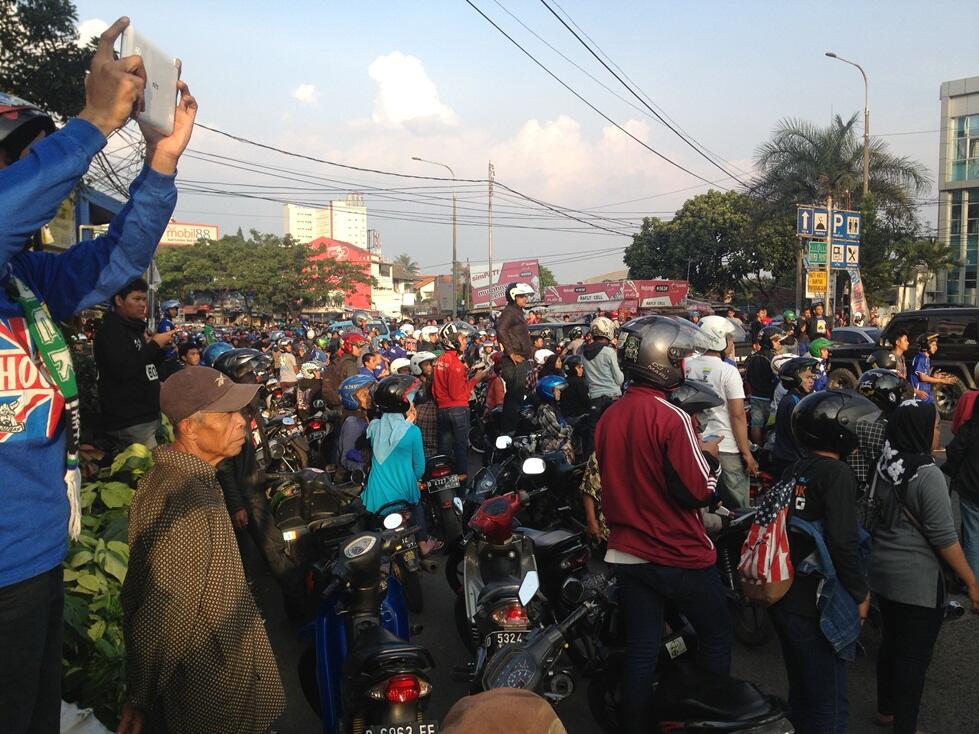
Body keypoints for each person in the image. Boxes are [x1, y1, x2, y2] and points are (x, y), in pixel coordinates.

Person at [0, 19, 197, 732]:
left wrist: (162, 164)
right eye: (14, 162)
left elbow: (115, 263)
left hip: (35, 555)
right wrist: (88, 124)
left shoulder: (23, 279)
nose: (30, 179)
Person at [120, 367, 284, 733]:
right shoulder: (184, 495)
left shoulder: (192, 478)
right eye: (227, 415)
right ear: (189, 428)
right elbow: (167, 604)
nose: (241, 422)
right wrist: (140, 696)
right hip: (210, 683)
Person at [595, 316, 727, 734]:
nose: (685, 364)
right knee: (717, 636)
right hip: (678, 552)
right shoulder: (673, 417)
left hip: (627, 552)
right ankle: (708, 717)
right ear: (660, 360)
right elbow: (697, 490)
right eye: (680, 357)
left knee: (641, 650)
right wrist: (712, 460)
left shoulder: (610, 416)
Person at [871, 400, 979, 733]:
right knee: (914, 657)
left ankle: (887, 709)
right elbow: (945, 538)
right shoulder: (926, 473)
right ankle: (906, 725)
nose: (938, 431)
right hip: (917, 581)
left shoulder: (886, 463)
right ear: (917, 429)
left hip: (882, 574)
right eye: (934, 425)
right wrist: (971, 582)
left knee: (891, 642)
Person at [771, 389, 876, 734]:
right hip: (817, 604)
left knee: (801, 692)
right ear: (840, 429)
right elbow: (843, 543)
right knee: (830, 703)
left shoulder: (794, 469)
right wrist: (861, 594)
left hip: (784, 595)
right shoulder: (837, 474)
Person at [361, 375, 440, 555]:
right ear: (402, 404)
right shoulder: (413, 431)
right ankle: (423, 543)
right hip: (405, 494)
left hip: (377, 497)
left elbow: (390, 436)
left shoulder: (373, 427)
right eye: (410, 399)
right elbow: (419, 468)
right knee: (417, 504)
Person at [685, 316, 758, 507]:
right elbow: (738, 415)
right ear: (718, 339)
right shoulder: (728, 371)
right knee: (738, 508)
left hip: (697, 446)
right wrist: (746, 453)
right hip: (727, 449)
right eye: (729, 338)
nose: (732, 343)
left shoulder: (686, 366)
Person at [94, 278, 171, 451]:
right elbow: (123, 369)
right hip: (131, 421)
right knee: (146, 473)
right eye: (136, 299)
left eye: (144, 299)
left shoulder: (136, 329)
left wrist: (160, 348)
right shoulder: (111, 331)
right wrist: (154, 345)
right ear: (119, 300)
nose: (142, 304)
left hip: (149, 416)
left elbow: (146, 367)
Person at [433, 321, 489, 474]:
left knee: (444, 451)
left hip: (442, 410)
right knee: (460, 450)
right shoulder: (455, 364)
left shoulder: (440, 360)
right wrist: (476, 379)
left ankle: (442, 484)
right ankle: (461, 491)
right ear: (453, 341)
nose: (466, 342)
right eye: (462, 339)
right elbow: (458, 394)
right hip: (457, 410)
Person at [581, 316, 624, 458]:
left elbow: (587, 379)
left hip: (594, 399)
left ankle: (587, 466)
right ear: (608, 331)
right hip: (612, 399)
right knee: (616, 434)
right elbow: (619, 379)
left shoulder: (583, 353)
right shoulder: (608, 352)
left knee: (593, 434)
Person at [495, 282, 535, 435]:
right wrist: (511, 353)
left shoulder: (517, 312)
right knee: (514, 396)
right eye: (521, 296)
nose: (525, 299)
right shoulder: (510, 311)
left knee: (517, 395)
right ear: (513, 296)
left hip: (521, 358)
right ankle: (508, 431)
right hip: (514, 361)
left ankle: (512, 429)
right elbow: (501, 329)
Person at [771, 357, 818, 478]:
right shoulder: (793, 402)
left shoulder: (798, 398)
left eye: (812, 377)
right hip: (791, 461)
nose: (811, 381)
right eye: (807, 378)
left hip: (792, 459)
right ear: (794, 380)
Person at [745, 326, 786, 446]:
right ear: (769, 341)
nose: (779, 343)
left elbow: (747, 377)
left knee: (756, 425)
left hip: (756, 397)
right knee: (772, 426)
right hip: (770, 398)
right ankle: (770, 449)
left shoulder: (752, 357)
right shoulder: (773, 358)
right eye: (776, 341)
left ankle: (759, 448)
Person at [335, 374, 375, 481]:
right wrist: (366, 468)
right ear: (352, 398)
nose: (369, 398)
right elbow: (345, 459)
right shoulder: (352, 422)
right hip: (349, 480)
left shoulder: (362, 415)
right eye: (364, 395)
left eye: (369, 394)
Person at [535, 374, 574, 463]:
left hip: (561, 447)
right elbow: (557, 431)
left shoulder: (554, 406)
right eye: (557, 390)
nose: (559, 392)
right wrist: (570, 429)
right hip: (553, 450)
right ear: (548, 391)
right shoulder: (544, 409)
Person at [910, 332, 955, 403]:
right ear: (925, 346)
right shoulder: (921, 359)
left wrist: (933, 376)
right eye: (933, 345)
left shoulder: (926, 358)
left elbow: (924, 376)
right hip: (920, 397)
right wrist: (942, 380)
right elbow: (923, 378)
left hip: (926, 394)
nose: (936, 347)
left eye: (936, 345)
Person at [410, 351, 439, 457]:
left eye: (431, 364)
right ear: (417, 367)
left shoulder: (436, 380)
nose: (430, 367)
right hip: (422, 416)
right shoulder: (414, 384)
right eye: (426, 364)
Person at [560, 355, 590, 421]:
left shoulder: (564, 381)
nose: (582, 369)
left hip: (566, 416)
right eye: (579, 367)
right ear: (573, 368)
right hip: (579, 416)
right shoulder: (578, 382)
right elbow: (585, 399)